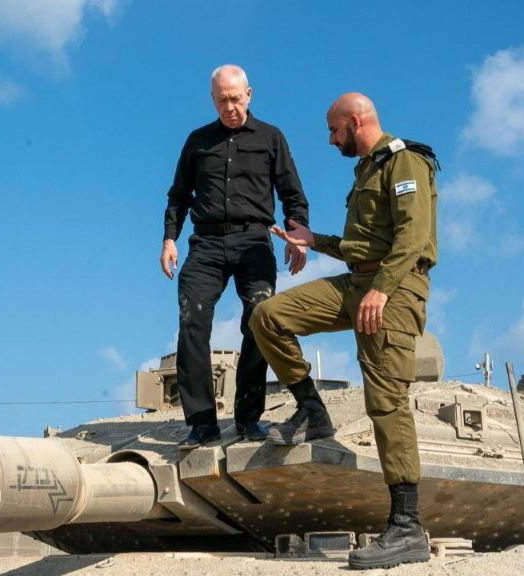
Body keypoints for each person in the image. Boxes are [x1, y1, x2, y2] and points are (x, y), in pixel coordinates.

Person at [249, 93, 438, 570]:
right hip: (357, 281)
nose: (331, 140)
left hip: (393, 288)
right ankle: (313, 412)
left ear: (355, 121)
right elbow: (363, 244)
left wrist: (382, 290)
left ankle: (406, 526)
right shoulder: (366, 171)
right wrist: (316, 242)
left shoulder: (406, 162)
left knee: (386, 400)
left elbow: (412, 237)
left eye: (335, 131)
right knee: (268, 316)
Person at [161, 65, 310, 450]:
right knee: (192, 321)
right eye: (221, 99)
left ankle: (248, 419)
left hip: (254, 242)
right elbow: (179, 195)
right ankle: (201, 425)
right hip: (206, 244)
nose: (229, 106)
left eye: (235, 98)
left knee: (259, 321)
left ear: (249, 94)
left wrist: (297, 236)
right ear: (213, 100)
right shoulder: (198, 141)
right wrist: (169, 239)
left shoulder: (271, 138)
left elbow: (292, 193)